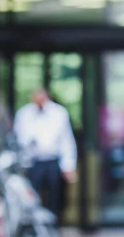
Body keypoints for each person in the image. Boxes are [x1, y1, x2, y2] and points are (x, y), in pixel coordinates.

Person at [13, 88, 77, 219]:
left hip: (53, 161)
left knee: (55, 196)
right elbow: (18, 138)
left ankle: (53, 225)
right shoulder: (24, 113)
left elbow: (66, 140)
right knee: (32, 196)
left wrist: (68, 165)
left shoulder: (59, 113)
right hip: (33, 162)